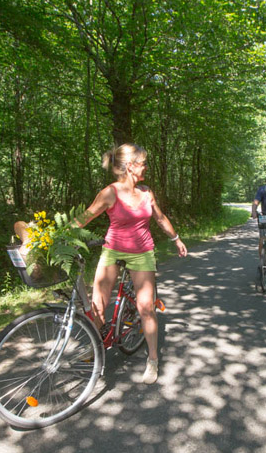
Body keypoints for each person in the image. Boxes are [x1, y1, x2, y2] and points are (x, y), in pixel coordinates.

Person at [76, 143, 187, 385]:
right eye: (143, 163)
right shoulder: (110, 193)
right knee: (97, 306)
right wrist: (55, 237)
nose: (147, 167)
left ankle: (153, 359)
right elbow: (83, 218)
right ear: (130, 166)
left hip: (142, 252)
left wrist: (176, 239)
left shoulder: (147, 193)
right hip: (113, 250)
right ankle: (96, 346)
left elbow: (159, 217)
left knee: (146, 307)